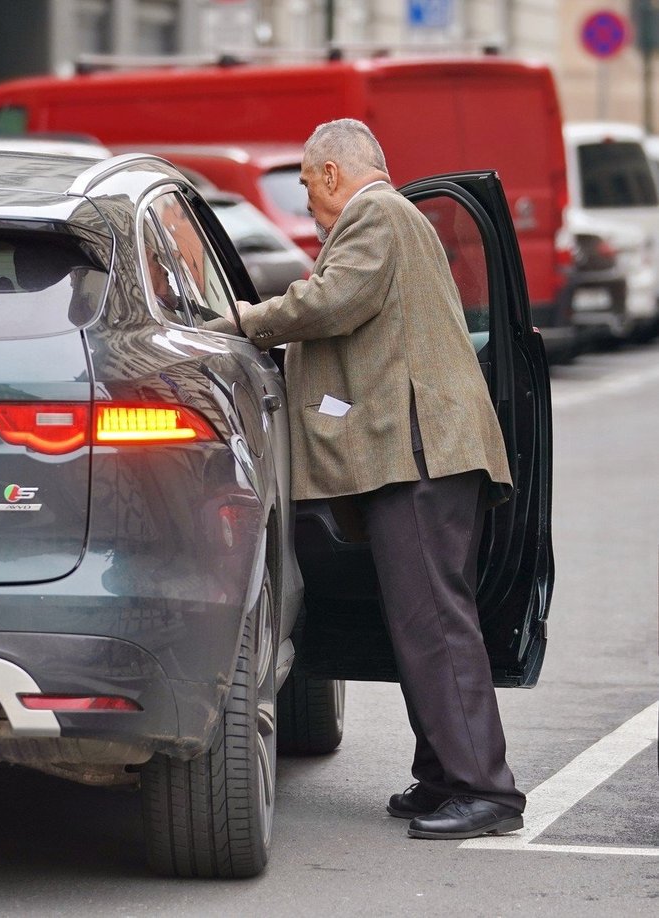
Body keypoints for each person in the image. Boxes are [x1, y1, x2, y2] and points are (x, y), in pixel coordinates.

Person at [235, 118, 525, 841]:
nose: (307, 203)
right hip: (423, 451)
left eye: (306, 185)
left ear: (333, 173)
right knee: (420, 623)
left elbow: (331, 301)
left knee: (435, 625)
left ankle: (485, 791)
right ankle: (442, 776)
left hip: (423, 452)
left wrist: (242, 321)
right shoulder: (395, 218)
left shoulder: (376, 214)